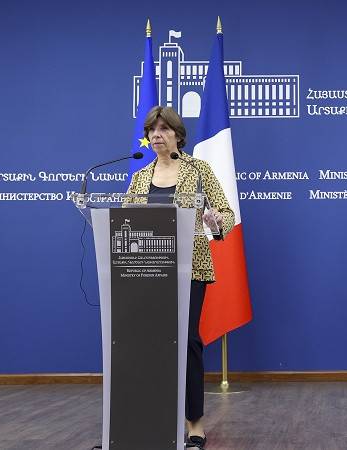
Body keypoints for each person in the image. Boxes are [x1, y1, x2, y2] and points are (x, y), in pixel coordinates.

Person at [126, 106, 234, 449]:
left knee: (187, 342)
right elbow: (124, 221)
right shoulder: (140, 177)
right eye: (152, 130)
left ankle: (195, 425)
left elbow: (226, 215)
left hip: (190, 268)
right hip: (148, 269)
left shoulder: (198, 170)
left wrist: (216, 223)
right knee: (149, 344)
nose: (157, 135)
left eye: (163, 129)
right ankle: (152, 417)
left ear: (177, 134)